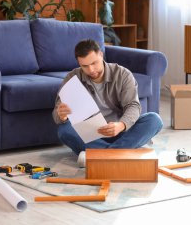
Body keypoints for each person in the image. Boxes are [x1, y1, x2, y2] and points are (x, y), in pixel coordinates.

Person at [52, 39, 163, 167]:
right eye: (85, 66)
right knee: (64, 130)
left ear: (101, 55)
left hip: (120, 131)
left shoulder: (122, 74)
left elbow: (133, 106)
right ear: (79, 63)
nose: (91, 69)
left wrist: (121, 125)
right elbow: (56, 115)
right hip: (90, 136)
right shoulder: (72, 78)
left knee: (154, 120)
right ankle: (119, 152)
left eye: (94, 63)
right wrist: (62, 116)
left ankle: (98, 156)